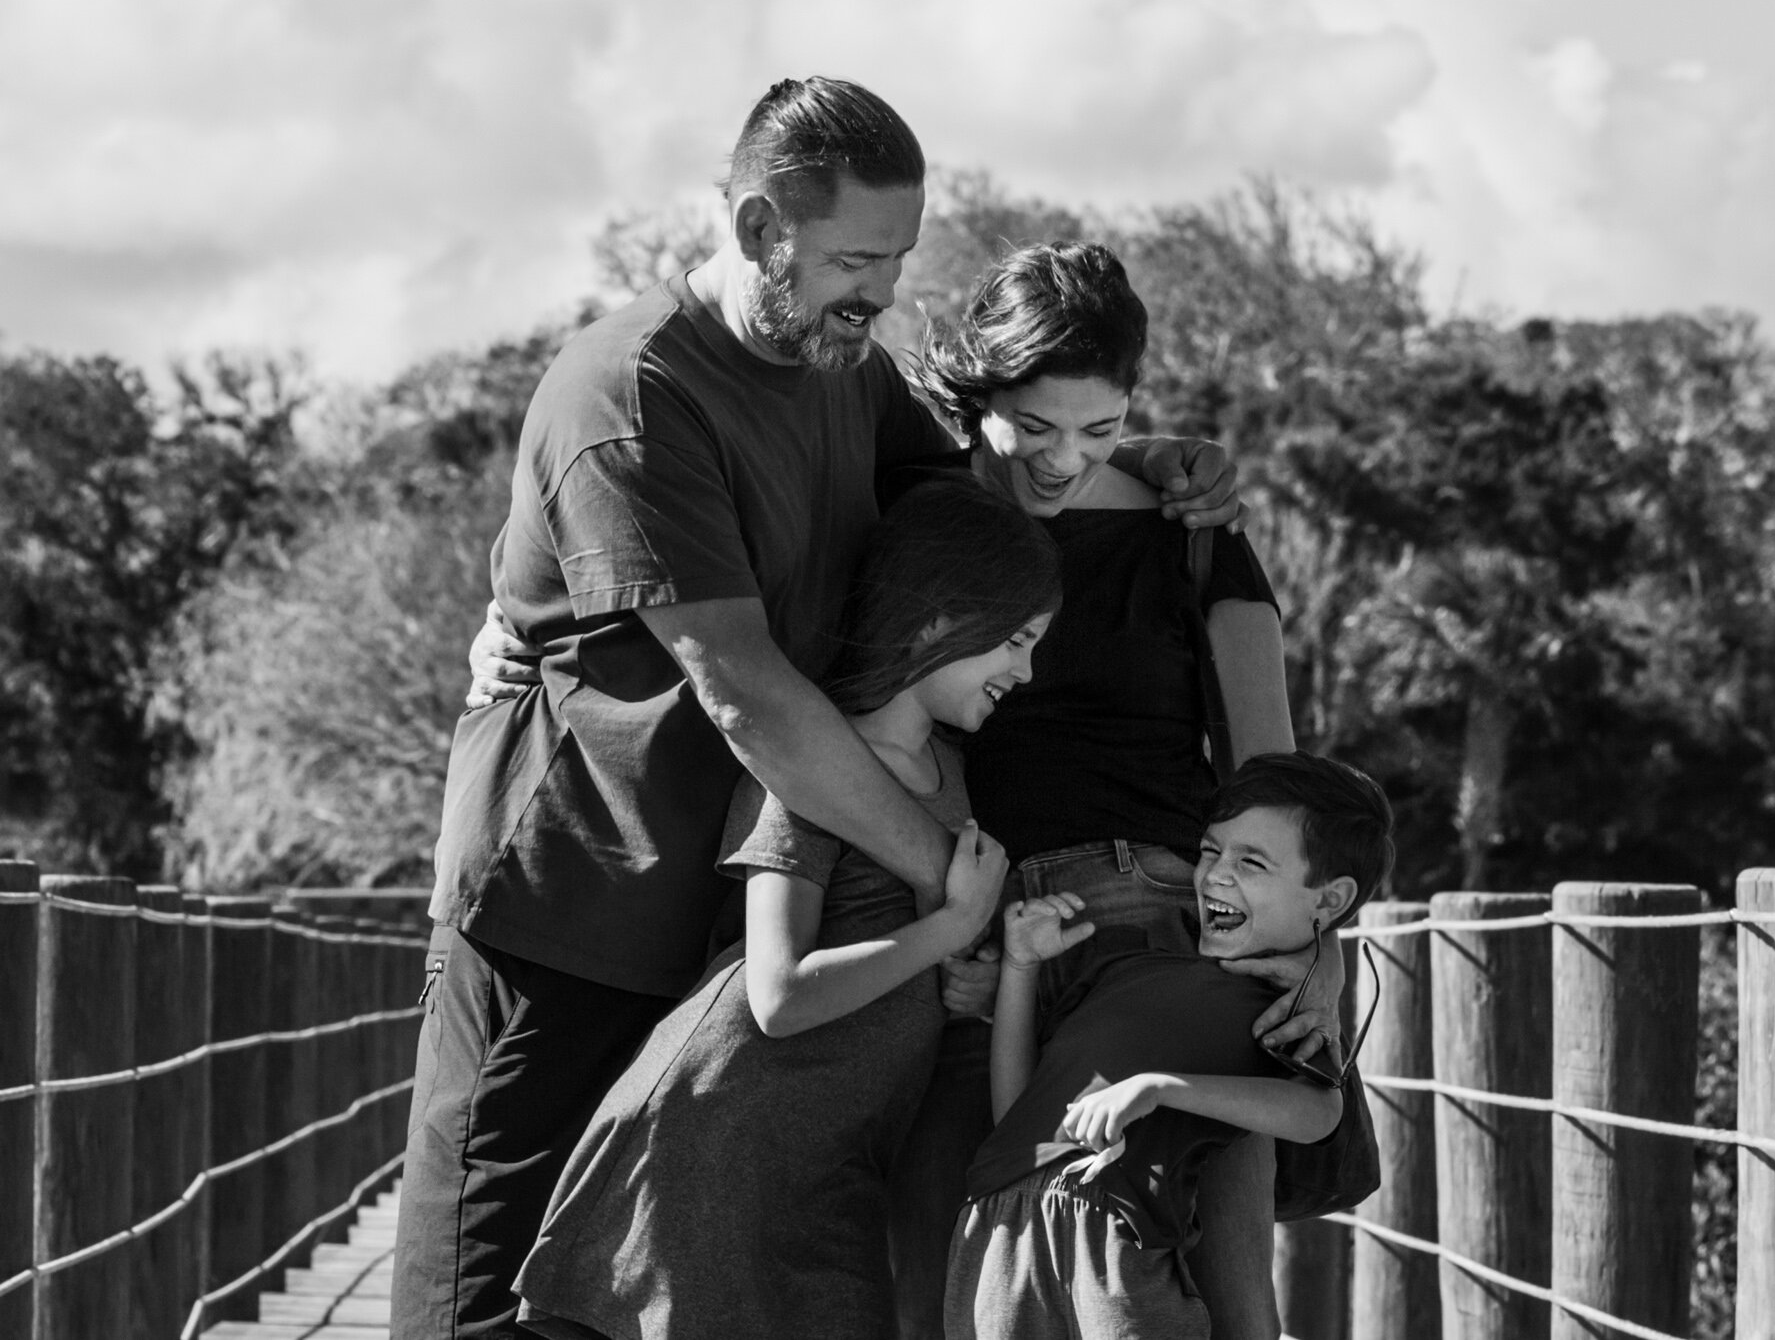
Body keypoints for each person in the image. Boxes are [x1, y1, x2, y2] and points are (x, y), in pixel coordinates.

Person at [396, 78, 1239, 1340]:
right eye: (852, 258)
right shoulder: (629, 391)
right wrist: (960, 887)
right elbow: (747, 694)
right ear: (754, 227)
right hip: (564, 905)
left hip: (716, 912)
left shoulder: (841, 366)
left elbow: (980, 479)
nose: (880, 294)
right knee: (492, 1298)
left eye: (895, 262)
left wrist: (1144, 460)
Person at [884, 244, 1346, 1340]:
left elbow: (1270, 774)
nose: (1064, 461)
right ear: (980, 392)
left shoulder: (1191, 529)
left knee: (1221, 1304)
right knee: (969, 1291)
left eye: (1098, 431)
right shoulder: (918, 517)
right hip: (983, 938)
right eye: (1035, 427)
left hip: (1174, 933)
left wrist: (1320, 949)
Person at [514, 480, 1059, 1340]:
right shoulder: (808, 764)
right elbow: (778, 996)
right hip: (721, 1144)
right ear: (940, 620)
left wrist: (967, 973)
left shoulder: (952, 771)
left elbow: (916, 962)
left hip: (833, 1166)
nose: (1025, 673)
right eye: (1016, 641)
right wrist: (949, 929)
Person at [944, 754, 1395, 1340]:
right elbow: (1016, 1118)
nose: (1215, 876)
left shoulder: (1284, 1008)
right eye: (1209, 851)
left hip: (1113, 1250)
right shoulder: (1120, 962)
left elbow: (1317, 1113)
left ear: (1328, 902)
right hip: (994, 1243)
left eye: (1251, 862)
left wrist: (1160, 1090)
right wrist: (1020, 965)